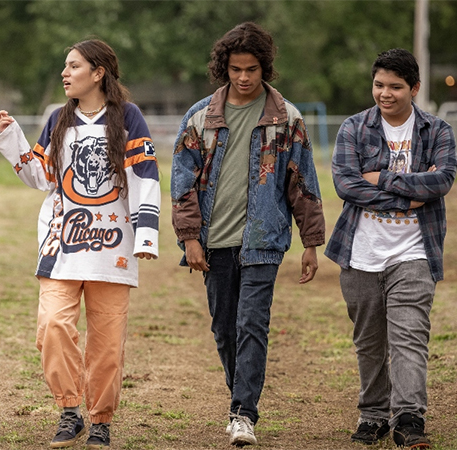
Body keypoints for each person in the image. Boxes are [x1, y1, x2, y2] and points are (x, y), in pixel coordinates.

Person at [0, 38, 160, 449]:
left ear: (98, 72)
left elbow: (144, 175)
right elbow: (42, 177)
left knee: (106, 342)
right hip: (62, 244)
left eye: (73, 66)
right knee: (52, 326)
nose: (65, 73)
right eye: (65, 66)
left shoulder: (128, 117)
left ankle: (100, 420)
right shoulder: (58, 119)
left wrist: (147, 233)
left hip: (113, 246)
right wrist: (10, 135)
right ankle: (70, 411)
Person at [170, 22, 325, 447]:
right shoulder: (200, 117)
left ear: (265, 68)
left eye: (252, 69)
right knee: (225, 329)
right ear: (224, 68)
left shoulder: (287, 118)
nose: (243, 77)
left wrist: (311, 244)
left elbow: (303, 184)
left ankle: (243, 413)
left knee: (252, 324)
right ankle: (238, 396)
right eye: (236, 69)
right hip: (213, 241)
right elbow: (182, 183)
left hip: (264, 240)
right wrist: (190, 238)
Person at [325, 48, 456, 449]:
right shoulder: (353, 127)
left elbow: (443, 180)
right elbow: (346, 184)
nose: (385, 93)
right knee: (369, 342)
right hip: (360, 252)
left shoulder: (437, 131)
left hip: (415, 251)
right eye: (379, 85)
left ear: (414, 88)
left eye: (396, 87)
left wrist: (379, 177)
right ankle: (374, 415)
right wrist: (410, 193)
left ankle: (409, 418)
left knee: (409, 338)